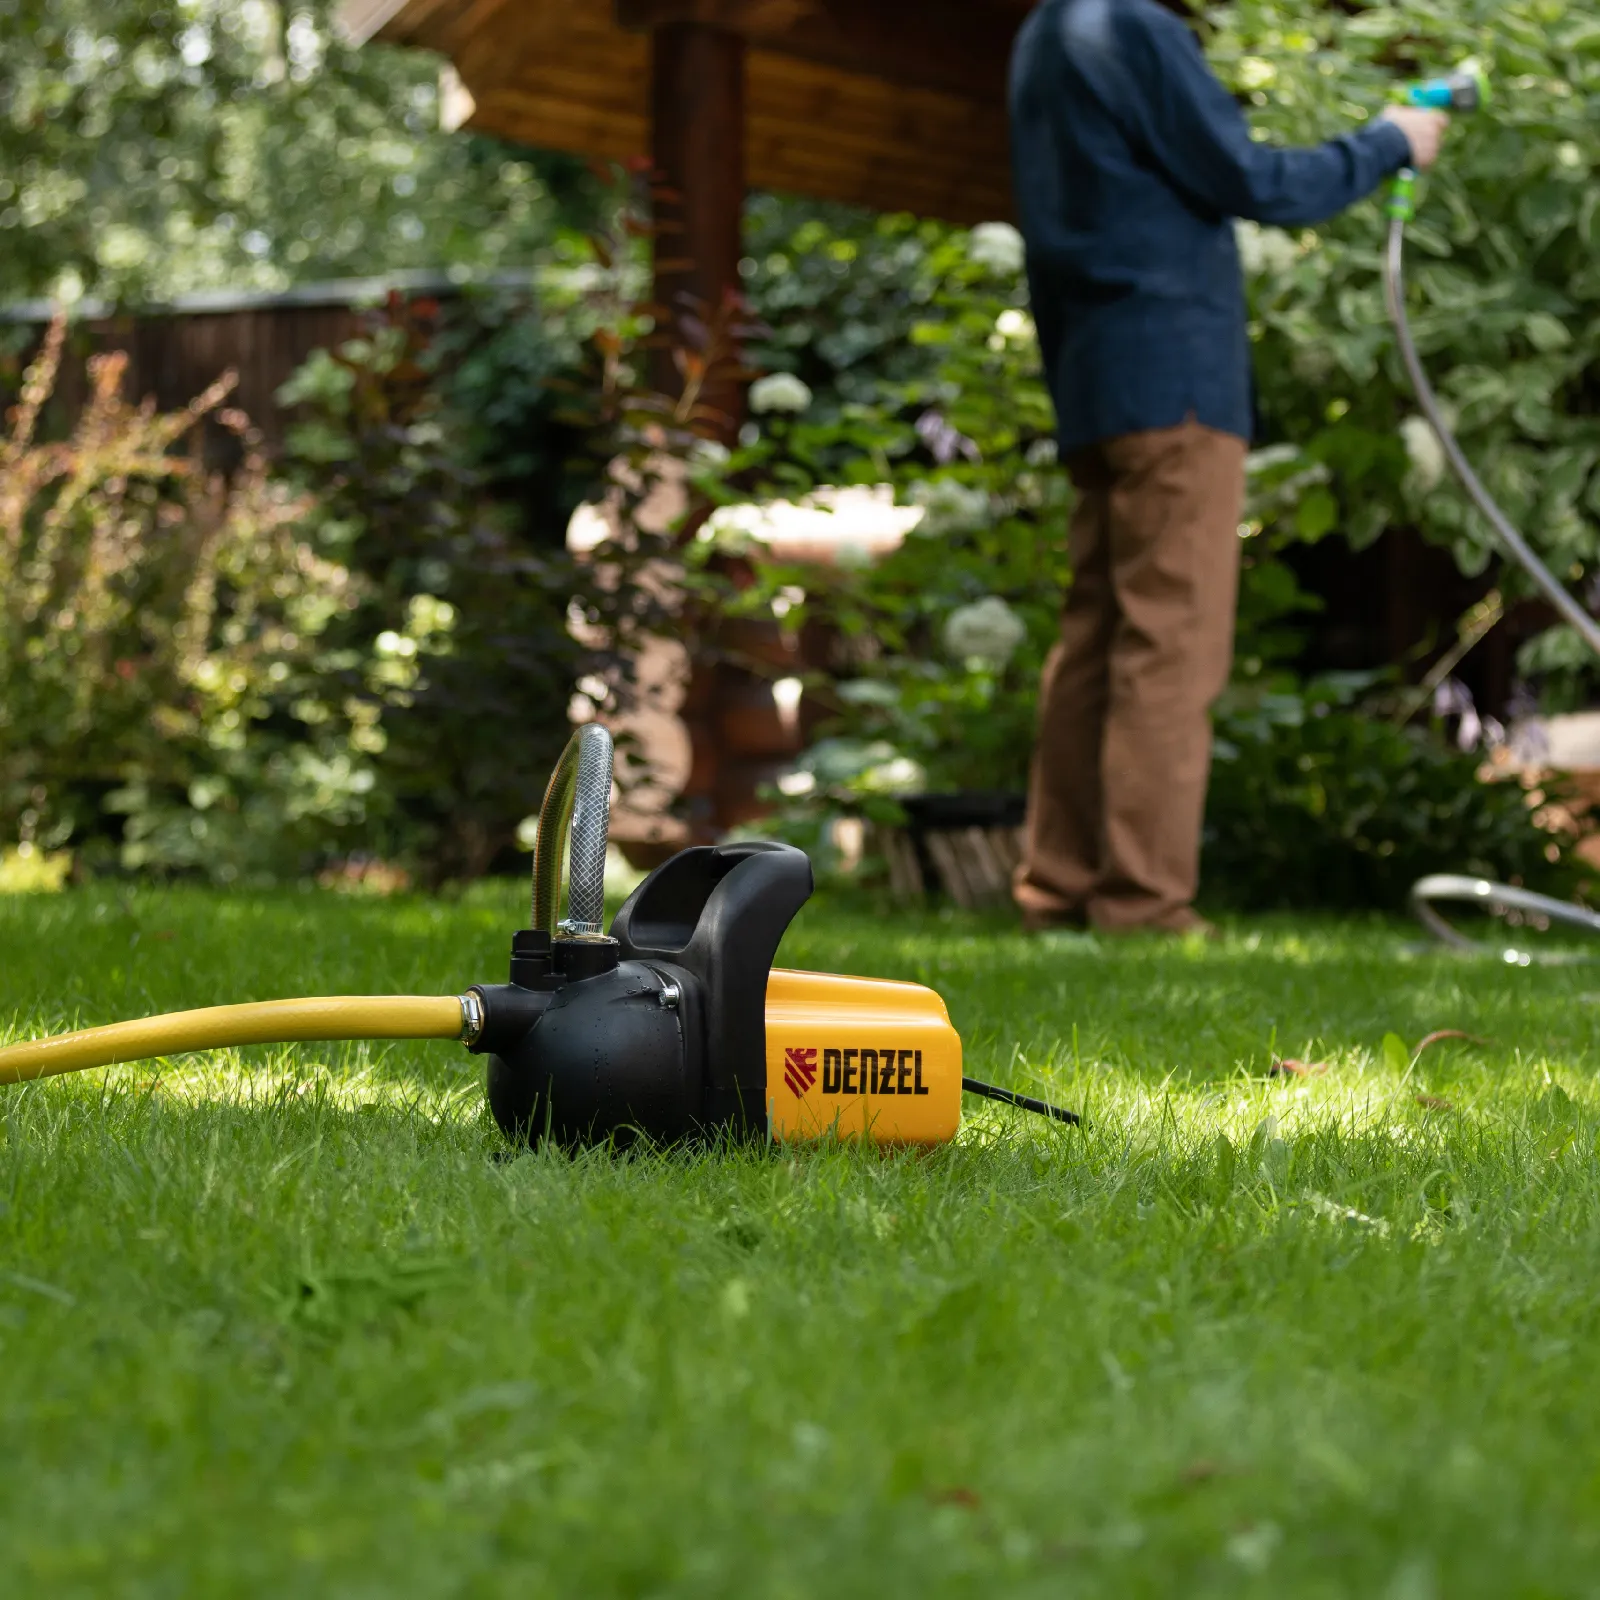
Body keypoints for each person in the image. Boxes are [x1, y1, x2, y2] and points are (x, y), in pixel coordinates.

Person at [1008, 0, 1447, 935]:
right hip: (1175, 382)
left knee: (1095, 636)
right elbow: (1251, 178)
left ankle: (1059, 889)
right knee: (1170, 641)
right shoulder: (1132, 25)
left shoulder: (1045, 35)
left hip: (1094, 380)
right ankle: (1143, 904)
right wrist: (1389, 142)